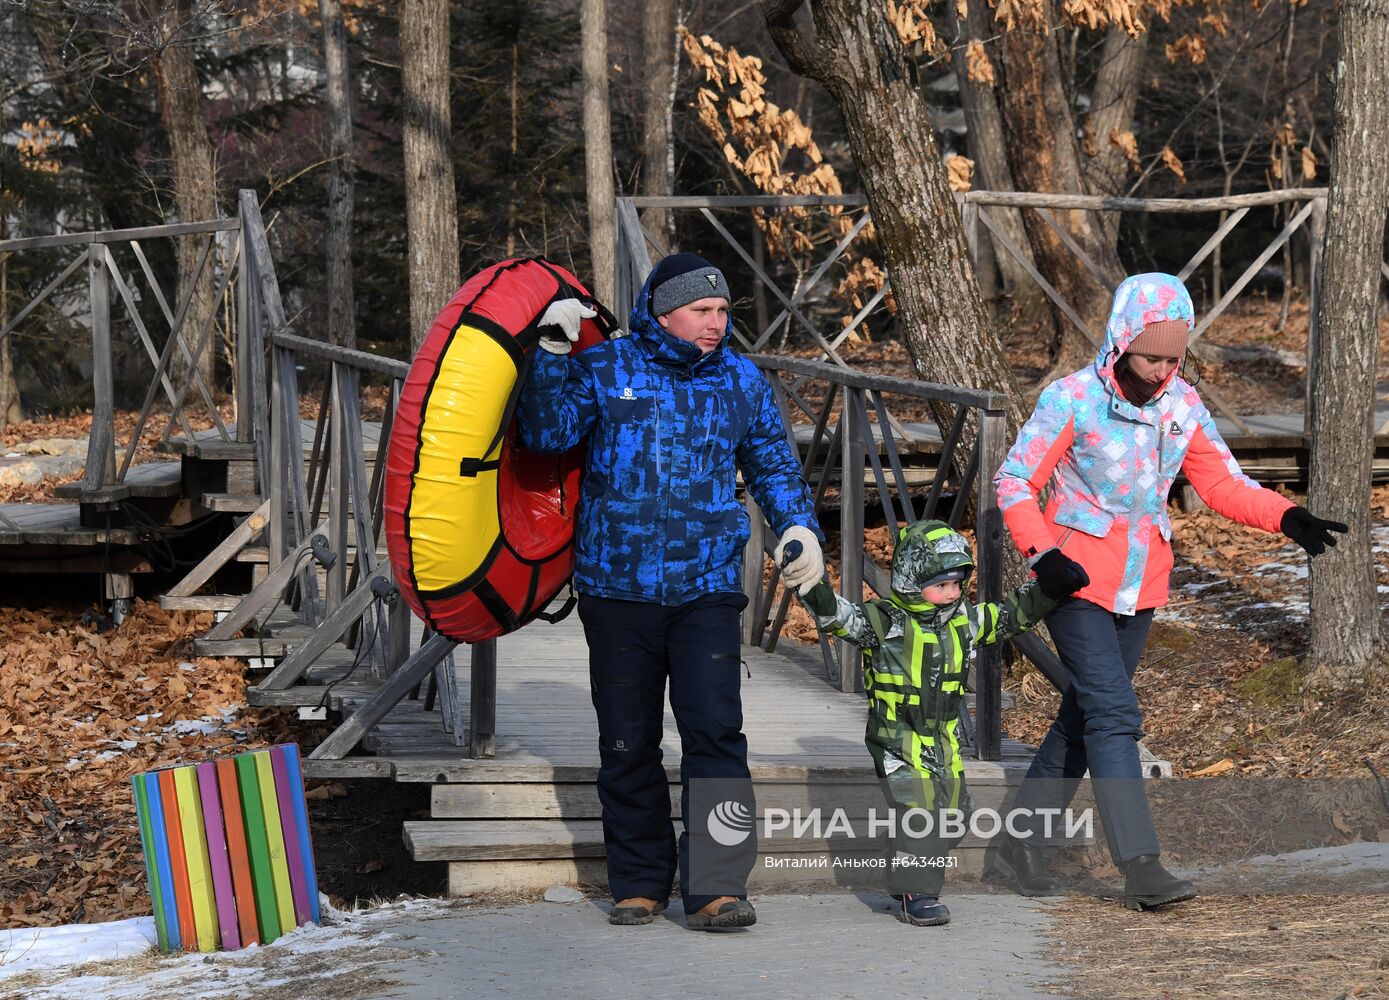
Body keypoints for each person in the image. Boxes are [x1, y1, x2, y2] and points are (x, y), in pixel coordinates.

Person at [992, 272, 1346, 911]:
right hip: (1071, 580)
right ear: (1122, 341)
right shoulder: (1071, 399)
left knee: (1085, 716)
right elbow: (1015, 481)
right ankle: (1141, 864)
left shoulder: (1181, 405)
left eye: (1173, 358)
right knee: (1115, 714)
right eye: (1152, 356)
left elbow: (1222, 483)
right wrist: (1042, 556)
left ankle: (1017, 842)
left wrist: (1286, 516)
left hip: (1142, 583)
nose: (1162, 370)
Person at [516, 252, 824, 930]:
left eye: (722, 312)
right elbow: (541, 436)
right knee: (626, 740)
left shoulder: (740, 380)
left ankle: (716, 887)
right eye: (701, 311)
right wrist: (549, 353)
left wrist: (798, 527)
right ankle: (639, 882)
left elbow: (772, 464)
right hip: (615, 586)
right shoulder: (606, 369)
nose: (715, 324)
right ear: (662, 313)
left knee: (714, 732)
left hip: (706, 587)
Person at [795, 518, 1085, 925]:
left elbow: (1007, 617)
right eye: (940, 585)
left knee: (956, 814)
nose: (950, 594)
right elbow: (841, 618)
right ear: (913, 580)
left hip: (944, 738)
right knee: (922, 809)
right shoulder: (886, 621)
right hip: (897, 736)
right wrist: (812, 586)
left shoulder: (962, 622)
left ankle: (904, 861)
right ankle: (921, 893)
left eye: (956, 584)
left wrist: (1048, 589)